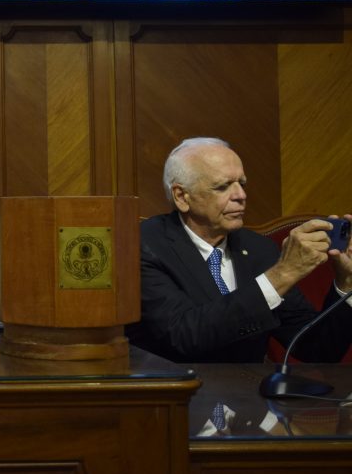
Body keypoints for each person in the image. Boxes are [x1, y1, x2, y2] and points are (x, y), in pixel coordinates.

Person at [128, 137, 352, 363]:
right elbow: (185, 336)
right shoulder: (143, 244)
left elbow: (317, 349)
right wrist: (282, 275)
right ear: (181, 196)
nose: (240, 196)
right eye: (223, 186)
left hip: (249, 392)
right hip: (179, 392)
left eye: (241, 184)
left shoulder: (258, 249)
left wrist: (346, 284)